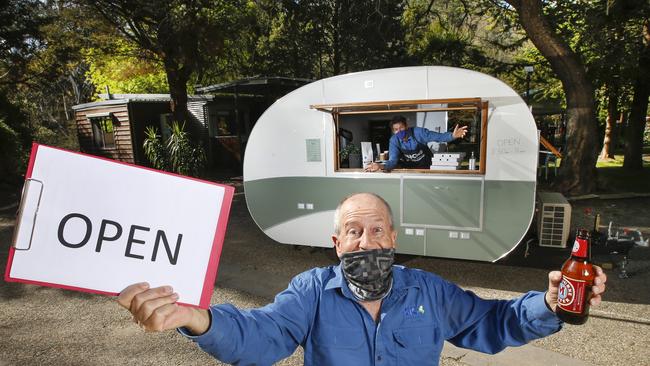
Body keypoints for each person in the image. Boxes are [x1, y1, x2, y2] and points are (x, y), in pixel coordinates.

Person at [118, 193, 607, 365]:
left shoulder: (429, 291)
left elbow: (495, 323)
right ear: (336, 243)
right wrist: (197, 318)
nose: (366, 240)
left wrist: (550, 301)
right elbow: (262, 338)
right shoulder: (310, 291)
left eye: (377, 229)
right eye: (353, 230)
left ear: (393, 237)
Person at [366, 115, 468, 172]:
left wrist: (453, 136)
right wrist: (380, 166)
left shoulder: (419, 133)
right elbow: (393, 161)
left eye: (401, 128)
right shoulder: (394, 140)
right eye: (396, 129)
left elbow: (439, 137)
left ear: (406, 126)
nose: (399, 131)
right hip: (410, 171)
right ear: (393, 131)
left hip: (427, 169)